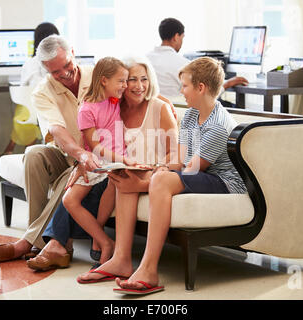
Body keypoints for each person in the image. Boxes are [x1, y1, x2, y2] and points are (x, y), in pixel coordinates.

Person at [79, 57, 247, 295]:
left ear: (200, 88)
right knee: (131, 177)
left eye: (185, 86)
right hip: (199, 173)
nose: (181, 91)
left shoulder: (218, 125)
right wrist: (155, 170)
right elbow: (178, 160)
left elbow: (192, 169)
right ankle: (121, 259)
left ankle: (148, 270)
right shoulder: (190, 115)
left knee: (151, 181)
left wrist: (148, 182)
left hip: (224, 183)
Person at [26, 54, 178, 272]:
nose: (136, 85)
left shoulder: (155, 107)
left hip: (138, 169)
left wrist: (165, 100)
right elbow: (88, 136)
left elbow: (173, 153)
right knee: (79, 185)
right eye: (129, 80)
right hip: (111, 164)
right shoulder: (116, 105)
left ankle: (59, 243)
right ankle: (65, 243)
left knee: (102, 185)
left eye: (143, 79)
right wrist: (81, 161)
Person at [0, 35, 105, 266]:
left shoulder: (98, 75)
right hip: (66, 153)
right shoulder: (43, 91)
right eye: (56, 72)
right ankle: (41, 242)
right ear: (45, 69)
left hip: (97, 157)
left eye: (67, 65)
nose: (64, 74)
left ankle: (30, 243)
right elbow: (58, 130)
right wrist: (80, 154)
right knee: (33, 155)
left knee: (71, 177)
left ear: (73, 51)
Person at [60, 57, 134, 266]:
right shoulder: (87, 109)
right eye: (121, 81)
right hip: (97, 160)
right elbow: (95, 147)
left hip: (115, 163)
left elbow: (146, 95)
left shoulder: (114, 100)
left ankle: (99, 241)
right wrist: (123, 159)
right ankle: (103, 240)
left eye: (125, 81)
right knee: (69, 200)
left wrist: (167, 104)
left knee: (114, 181)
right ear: (103, 80)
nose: (125, 86)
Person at [146, 17, 249, 104]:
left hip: (156, 114)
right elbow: (204, 97)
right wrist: (227, 84)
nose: (182, 42)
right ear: (176, 37)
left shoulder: (146, 59)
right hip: (182, 113)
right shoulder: (183, 65)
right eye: (182, 38)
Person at [2, 22, 59, 156]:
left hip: (28, 112)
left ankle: (18, 147)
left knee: (25, 111)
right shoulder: (57, 63)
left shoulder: (29, 63)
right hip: (48, 110)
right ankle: (28, 150)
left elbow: (23, 89)